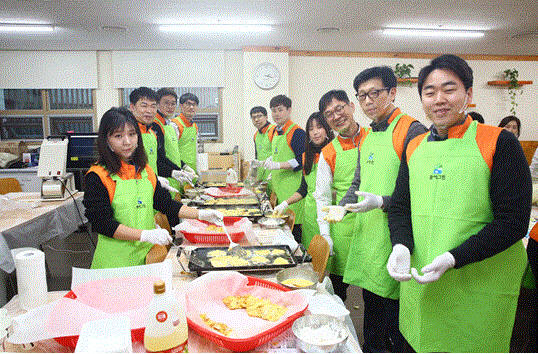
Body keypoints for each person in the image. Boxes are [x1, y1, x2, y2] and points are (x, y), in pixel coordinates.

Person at [386, 54, 532, 352]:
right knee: (422, 342)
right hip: (425, 280)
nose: (439, 99)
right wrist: (400, 244)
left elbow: (513, 222)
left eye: (449, 89)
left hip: (479, 285)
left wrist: (454, 257)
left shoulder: (500, 142)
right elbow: (401, 205)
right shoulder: (414, 146)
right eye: (429, 92)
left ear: (469, 94)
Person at [325, 67, 427, 352]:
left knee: (394, 321)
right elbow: (358, 182)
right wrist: (339, 210)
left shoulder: (412, 130)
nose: (368, 101)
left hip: (397, 239)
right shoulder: (368, 135)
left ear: (392, 92)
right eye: (362, 95)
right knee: (372, 313)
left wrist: (382, 201)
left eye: (374, 93)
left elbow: (418, 192)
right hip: (369, 238)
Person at [83, 107, 223, 269]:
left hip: (149, 258)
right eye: (118, 136)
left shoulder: (145, 171)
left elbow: (166, 204)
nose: (127, 142)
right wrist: (146, 235)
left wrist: (203, 214)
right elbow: (102, 223)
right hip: (115, 263)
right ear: (106, 140)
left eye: (132, 134)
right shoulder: (98, 176)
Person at [314, 90, 365, 302]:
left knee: (375, 296)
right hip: (342, 227)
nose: (336, 116)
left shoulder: (374, 139)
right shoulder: (328, 152)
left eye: (339, 108)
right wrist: (326, 233)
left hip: (374, 225)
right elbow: (323, 197)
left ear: (352, 107)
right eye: (328, 114)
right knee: (339, 294)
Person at [273, 112, 334, 249]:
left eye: (319, 127)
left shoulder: (334, 152)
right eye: (311, 129)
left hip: (331, 217)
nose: (315, 132)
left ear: (328, 128)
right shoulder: (307, 156)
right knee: (312, 260)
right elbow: (303, 189)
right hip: (310, 216)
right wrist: (285, 203)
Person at [129, 87, 194, 191]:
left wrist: (178, 170)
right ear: (132, 107)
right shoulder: (129, 134)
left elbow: (157, 160)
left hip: (155, 186)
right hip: (137, 189)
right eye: (144, 106)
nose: (149, 111)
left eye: (153, 106)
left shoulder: (150, 131)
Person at [264, 95, 306, 243]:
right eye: (274, 111)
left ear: (289, 110)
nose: (276, 114)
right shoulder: (276, 131)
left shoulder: (297, 132)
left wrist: (279, 165)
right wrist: (271, 162)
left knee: (293, 233)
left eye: (280, 110)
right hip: (280, 189)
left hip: (293, 191)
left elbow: (302, 160)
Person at [250, 106, 275, 193]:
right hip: (261, 179)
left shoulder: (274, 130)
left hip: (273, 177)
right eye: (254, 117)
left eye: (259, 116)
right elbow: (257, 157)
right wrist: (253, 176)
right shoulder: (256, 135)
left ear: (266, 117)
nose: (257, 119)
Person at [175, 92, 200, 174]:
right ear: (181, 106)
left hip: (192, 171)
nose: (191, 107)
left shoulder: (194, 126)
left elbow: (195, 151)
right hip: (179, 170)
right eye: (188, 104)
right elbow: (172, 152)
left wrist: (197, 170)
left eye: (194, 104)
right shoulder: (175, 124)